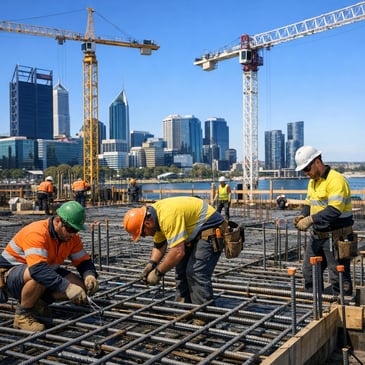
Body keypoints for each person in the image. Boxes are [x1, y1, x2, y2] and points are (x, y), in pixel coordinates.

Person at [0, 201, 99, 332]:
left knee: (81, 287)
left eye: (76, 230)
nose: (72, 234)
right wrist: (67, 287)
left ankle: (39, 303)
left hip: (42, 271)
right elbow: (37, 270)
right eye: (70, 229)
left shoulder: (71, 238)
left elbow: (83, 261)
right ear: (58, 221)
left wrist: (89, 276)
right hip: (11, 276)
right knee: (40, 277)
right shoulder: (37, 233)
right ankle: (22, 315)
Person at [123, 196, 226, 306]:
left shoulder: (167, 217)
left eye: (142, 234)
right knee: (181, 271)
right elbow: (159, 246)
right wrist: (151, 264)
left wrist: (158, 273)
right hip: (194, 233)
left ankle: (204, 316)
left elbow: (178, 252)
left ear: (147, 224)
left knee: (195, 272)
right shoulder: (154, 217)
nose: (144, 237)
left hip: (211, 228)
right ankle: (183, 308)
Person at [293, 146, 354, 296]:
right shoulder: (313, 181)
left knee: (338, 276)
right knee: (309, 272)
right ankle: (314, 307)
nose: (306, 173)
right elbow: (309, 202)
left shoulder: (336, 180)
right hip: (318, 236)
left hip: (336, 237)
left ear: (318, 162)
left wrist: (310, 219)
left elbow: (334, 210)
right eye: (303, 170)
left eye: (307, 169)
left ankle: (343, 308)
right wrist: (302, 215)